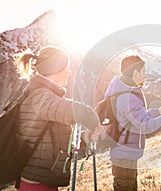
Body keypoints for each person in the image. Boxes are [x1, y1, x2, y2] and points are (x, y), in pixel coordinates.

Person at [15, 46, 99, 191]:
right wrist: (91, 117)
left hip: (44, 181)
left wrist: (85, 138)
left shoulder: (45, 95)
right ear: (55, 69)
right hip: (35, 185)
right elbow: (69, 110)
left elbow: (58, 143)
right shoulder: (40, 96)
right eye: (66, 67)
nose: (69, 71)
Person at [104, 55, 161, 191]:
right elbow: (145, 125)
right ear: (135, 73)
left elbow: (138, 118)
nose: (145, 75)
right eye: (144, 71)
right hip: (124, 157)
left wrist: (158, 111)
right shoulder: (128, 97)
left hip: (124, 155)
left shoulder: (123, 90)